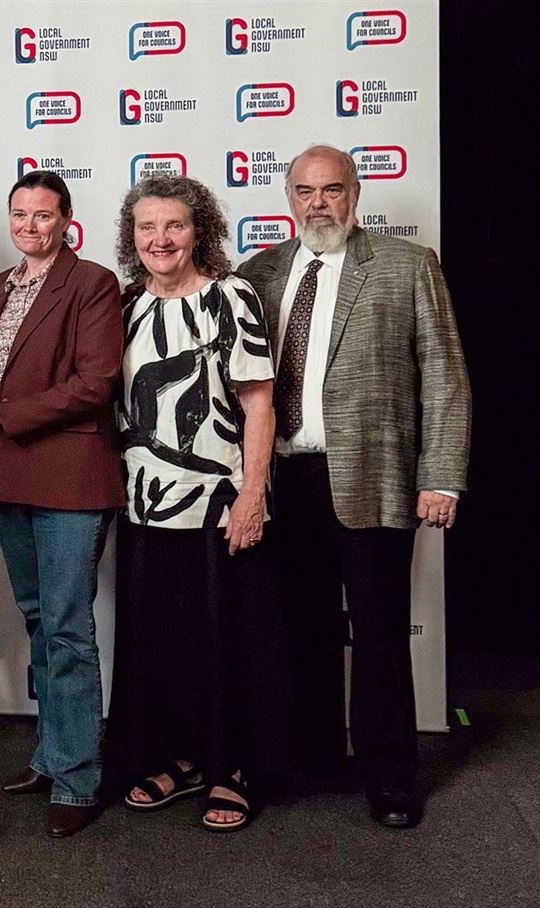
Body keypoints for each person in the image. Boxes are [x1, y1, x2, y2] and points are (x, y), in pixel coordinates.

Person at [236, 145, 471, 828]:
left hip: (372, 475)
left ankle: (391, 778)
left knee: (377, 635)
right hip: (284, 477)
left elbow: (445, 378)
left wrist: (442, 478)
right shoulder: (261, 272)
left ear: (356, 193)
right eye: (305, 191)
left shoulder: (406, 266)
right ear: (288, 199)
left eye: (332, 189)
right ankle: (313, 756)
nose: (318, 203)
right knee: (298, 629)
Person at [106, 175, 293, 833]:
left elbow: (259, 403)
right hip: (144, 506)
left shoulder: (230, 297)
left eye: (174, 226)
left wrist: (250, 497)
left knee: (226, 642)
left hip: (219, 504)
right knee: (163, 645)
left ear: (199, 231)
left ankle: (232, 769)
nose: (160, 239)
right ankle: (181, 761)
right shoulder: (126, 305)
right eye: (147, 228)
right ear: (133, 239)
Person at [0, 171, 124, 838]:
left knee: (68, 628)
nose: (30, 225)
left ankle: (79, 779)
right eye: (20, 214)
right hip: (8, 473)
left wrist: (2, 408)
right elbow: (1, 373)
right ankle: (53, 756)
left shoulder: (92, 284)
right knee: (38, 620)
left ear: (67, 219)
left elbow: (96, 382)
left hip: (70, 476)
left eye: (43, 215)